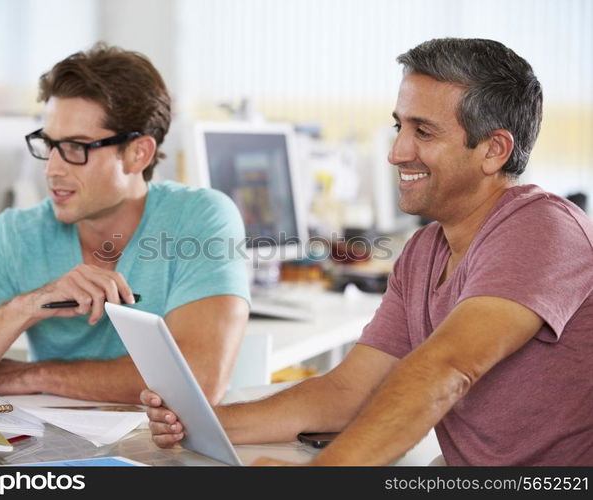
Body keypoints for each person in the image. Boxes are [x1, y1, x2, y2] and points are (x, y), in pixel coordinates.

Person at [142, 38, 593, 466]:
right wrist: (203, 424)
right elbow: (347, 391)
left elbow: (450, 367)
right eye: (400, 126)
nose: (397, 152)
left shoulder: (543, 228)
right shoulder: (424, 251)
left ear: (494, 150)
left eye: (424, 132)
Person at [0, 43, 250, 404]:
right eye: (49, 145)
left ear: (137, 153)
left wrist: (37, 375)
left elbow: (199, 380)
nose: (52, 168)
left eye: (76, 147)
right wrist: (29, 305)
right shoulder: (16, 233)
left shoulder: (200, 217)